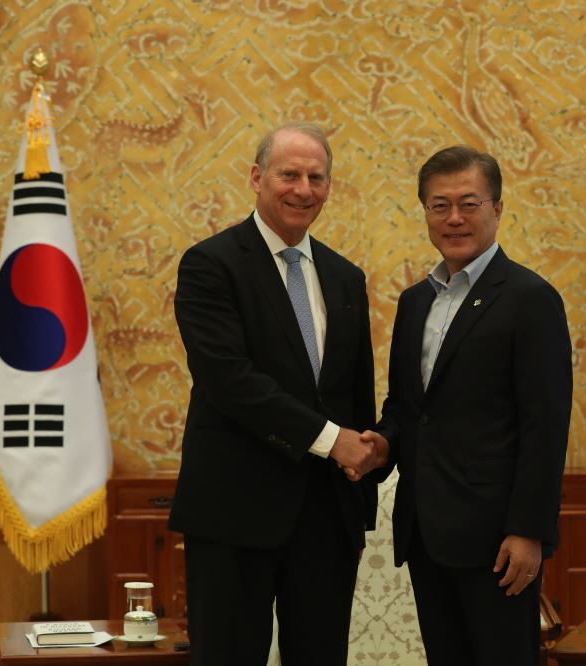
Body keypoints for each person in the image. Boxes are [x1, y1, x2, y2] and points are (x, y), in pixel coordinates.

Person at [169, 122, 384, 665]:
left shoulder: (345, 277)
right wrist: (333, 440)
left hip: (326, 517)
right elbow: (230, 380)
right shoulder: (210, 265)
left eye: (317, 177)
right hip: (234, 513)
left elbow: (354, 390)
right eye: (289, 175)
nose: (303, 190)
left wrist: (369, 458)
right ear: (257, 178)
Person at [361, 145, 572, 665]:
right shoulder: (415, 302)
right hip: (426, 532)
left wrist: (529, 531)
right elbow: (408, 409)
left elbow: (545, 425)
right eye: (440, 206)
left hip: (498, 542)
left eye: (468, 204)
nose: (453, 218)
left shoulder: (530, 299)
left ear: (497, 209)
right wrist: (382, 444)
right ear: (425, 213)